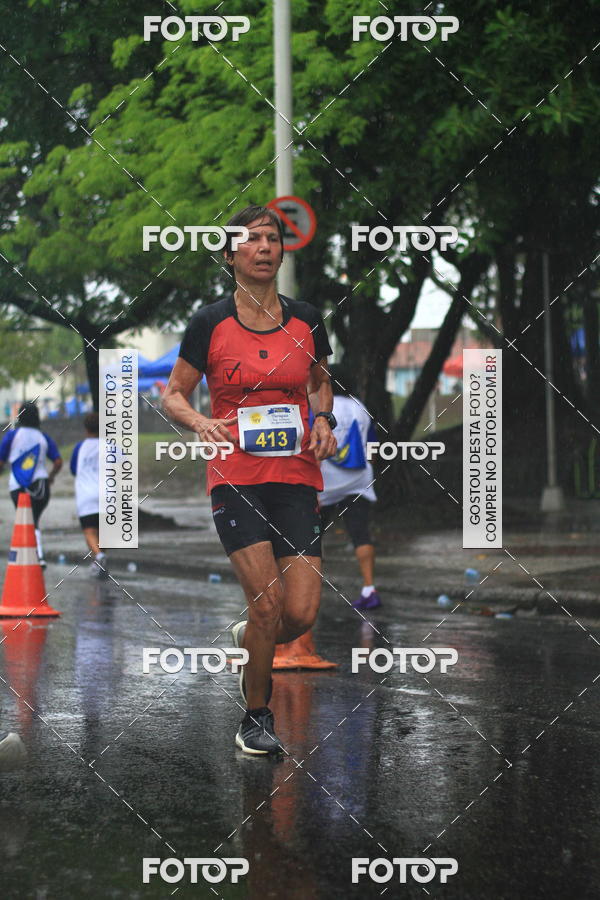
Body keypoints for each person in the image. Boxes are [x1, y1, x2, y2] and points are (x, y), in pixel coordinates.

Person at [163, 204, 337, 756]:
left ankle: (251, 642)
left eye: (273, 240)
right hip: (235, 474)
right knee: (266, 605)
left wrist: (325, 420)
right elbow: (173, 393)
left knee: (301, 612)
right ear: (230, 254)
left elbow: (319, 383)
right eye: (253, 240)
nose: (265, 248)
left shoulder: (307, 318)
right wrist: (199, 421)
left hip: (295, 475)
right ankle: (255, 717)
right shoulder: (208, 323)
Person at [318, 365, 381, 610]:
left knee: (311, 538)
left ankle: (310, 590)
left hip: (325, 486)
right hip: (358, 482)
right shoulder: (360, 408)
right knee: (360, 533)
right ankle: (369, 588)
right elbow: (372, 447)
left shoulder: (321, 410)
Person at [0, 401, 62, 567]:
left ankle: (37, 556)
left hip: (18, 485)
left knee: (28, 520)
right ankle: (35, 555)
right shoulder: (43, 437)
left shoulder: (12, 435)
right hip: (41, 486)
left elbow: (1, 460)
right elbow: (57, 462)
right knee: (33, 520)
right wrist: (51, 477)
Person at [70, 412, 107, 577]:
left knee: (89, 531)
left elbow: (73, 469)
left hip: (86, 495)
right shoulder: (110, 446)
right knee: (102, 531)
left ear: (86, 429)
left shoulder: (80, 447)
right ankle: (99, 562)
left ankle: (99, 557)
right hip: (107, 494)